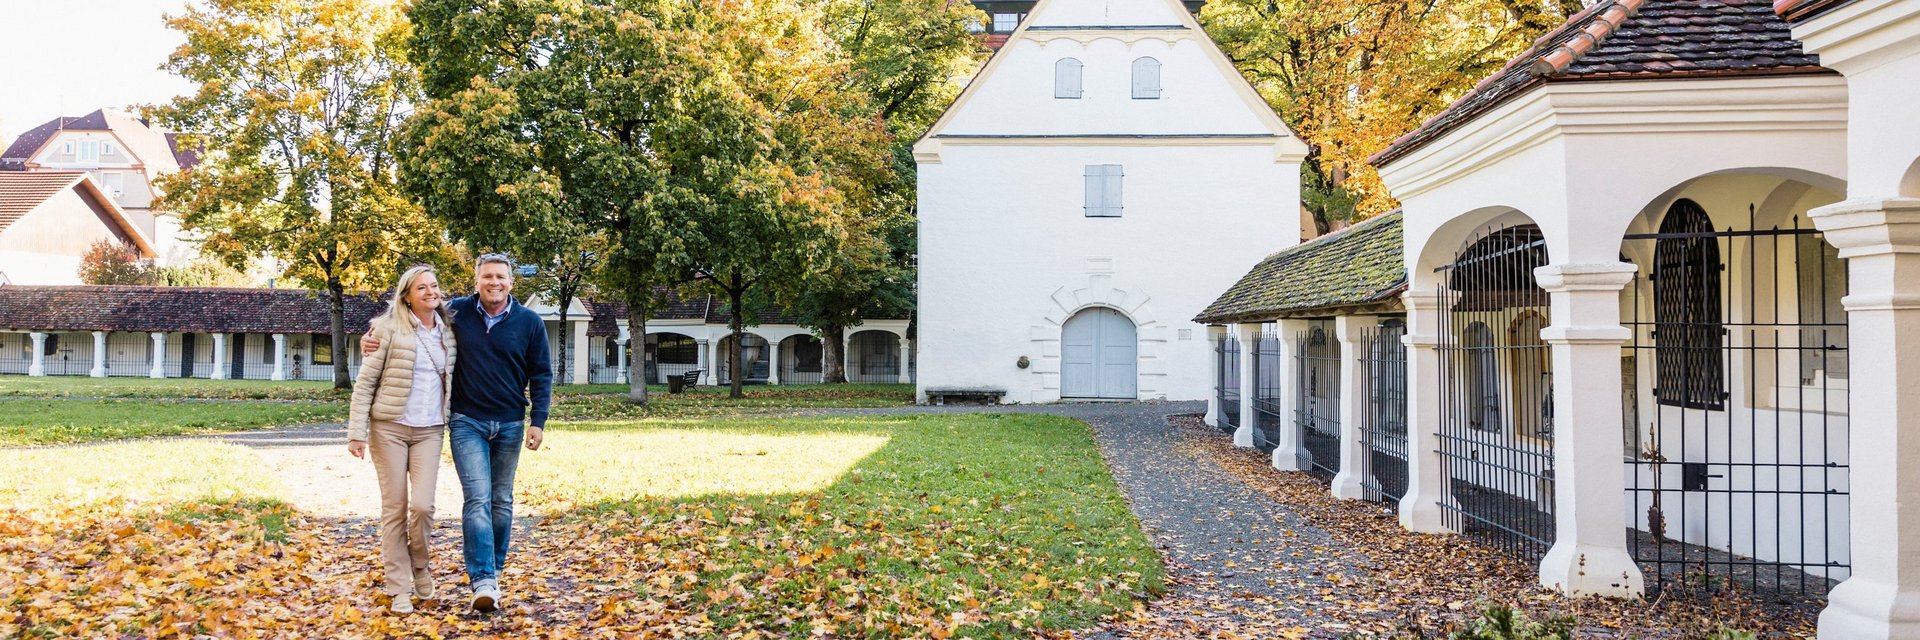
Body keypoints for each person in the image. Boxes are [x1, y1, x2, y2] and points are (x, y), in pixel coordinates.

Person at [363, 253, 551, 613]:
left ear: (511, 282)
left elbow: (541, 374)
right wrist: (368, 339)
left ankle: (493, 571)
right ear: (476, 280)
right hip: (466, 421)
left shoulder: (529, 322)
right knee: (478, 500)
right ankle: (482, 579)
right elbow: (409, 318)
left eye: (501, 277)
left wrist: (538, 421)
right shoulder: (457, 313)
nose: (494, 283)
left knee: (502, 502)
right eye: (487, 277)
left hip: (511, 422)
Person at [347, 264, 459, 615]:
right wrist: (356, 433)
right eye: (421, 288)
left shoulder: (450, 332)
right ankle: (399, 587)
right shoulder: (387, 329)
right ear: (407, 296)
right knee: (394, 508)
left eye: (434, 285)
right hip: (390, 428)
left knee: (423, 506)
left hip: (430, 430)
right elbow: (365, 383)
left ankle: (421, 567)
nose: (430, 292)